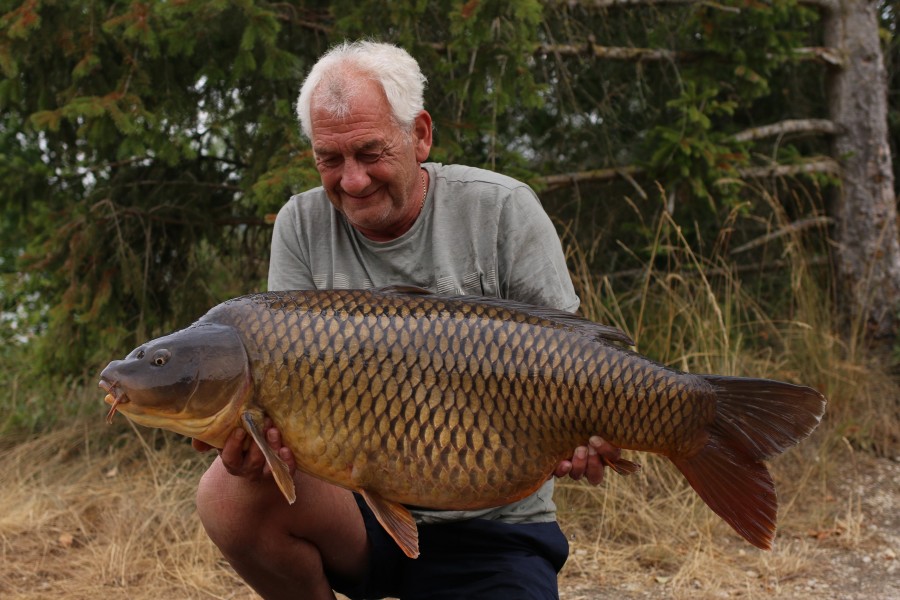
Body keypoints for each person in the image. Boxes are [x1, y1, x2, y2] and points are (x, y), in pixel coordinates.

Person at [194, 40, 621, 600]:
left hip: (495, 527)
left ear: (419, 134)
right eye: (330, 159)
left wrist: (588, 435)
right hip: (356, 515)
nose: (351, 181)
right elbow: (282, 395)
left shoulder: (502, 210)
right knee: (226, 493)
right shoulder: (300, 224)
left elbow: (573, 360)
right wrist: (258, 448)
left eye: (370, 152)